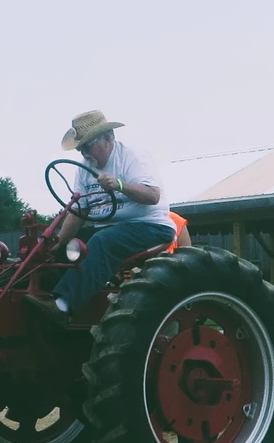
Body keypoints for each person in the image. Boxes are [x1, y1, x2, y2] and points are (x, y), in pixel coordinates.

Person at [26, 110, 176, 327]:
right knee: (65, 249)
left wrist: (120, 185)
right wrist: (53, 245)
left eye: (88, 146)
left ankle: (62, 307)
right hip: (109, 230)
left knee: (101, 241)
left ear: (108, 138)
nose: (85, 153)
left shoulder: (132, 157)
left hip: (149, 227)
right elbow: (78, 213)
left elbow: (152, 196)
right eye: (81, 148)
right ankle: (38, 295)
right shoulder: (84, 168)